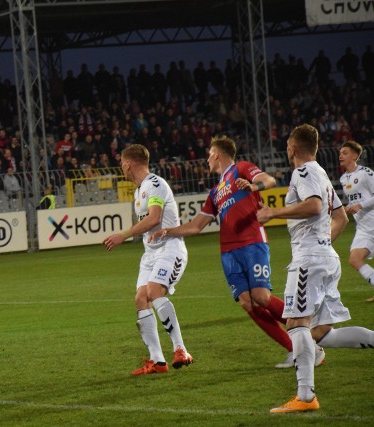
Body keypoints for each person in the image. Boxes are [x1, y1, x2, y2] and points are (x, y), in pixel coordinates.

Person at [149, 136, 324, 368]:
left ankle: (308, 340)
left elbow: (269, 180)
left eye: (210, 154)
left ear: (218, 155)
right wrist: (168, 231)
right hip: (228, 252)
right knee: (247, 302)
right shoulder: (215, 192)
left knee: (261, 297)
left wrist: (254, 186)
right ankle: (296, 351)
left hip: (252, 242)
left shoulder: (240, 169)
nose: (207, 158)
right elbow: (195, 226)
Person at [257, 124, 374, 413]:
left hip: (309, 260)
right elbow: (340, 218)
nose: (286, 150)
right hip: (323, 256)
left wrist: (274, 212)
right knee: (321, 332)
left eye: (287, 146)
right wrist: (323, 243)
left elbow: (312, 206)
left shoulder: (304, 172)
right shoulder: (321, 173)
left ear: (293, 147)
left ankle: (305, 396)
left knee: (296, 325)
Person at [103, 144, 193, 375]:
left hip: (170, 249)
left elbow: (154, 219)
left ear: (128, 163)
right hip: (150, 254)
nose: (121, 167)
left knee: (153, 292)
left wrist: (123, 235)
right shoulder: (138, 191)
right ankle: (157, 361)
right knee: (141, 298)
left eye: (121, 162)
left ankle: (180, 349)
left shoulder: (155, 184)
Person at [338, 140, 374, 301]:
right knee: (354, 259)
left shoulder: (366, 173)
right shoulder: (343, 179)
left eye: (345, 153)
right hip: (363, 228)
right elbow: (355, 200)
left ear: (354, 155)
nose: (340, 155)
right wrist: (349, 206)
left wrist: (360, 205)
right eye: (340, 153)